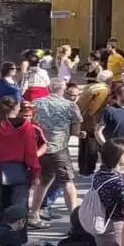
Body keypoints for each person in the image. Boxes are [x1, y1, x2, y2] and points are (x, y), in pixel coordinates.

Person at [31, 83, 83, 224]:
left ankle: (34, 214)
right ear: (64, 90)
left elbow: (30, 123)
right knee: (67, 182)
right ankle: (75, 220)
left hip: (41, 148)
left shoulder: (36, 103)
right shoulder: (70, 106)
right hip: (59, 148)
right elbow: (76, 131)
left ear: (48, 89)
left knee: (43, 181)